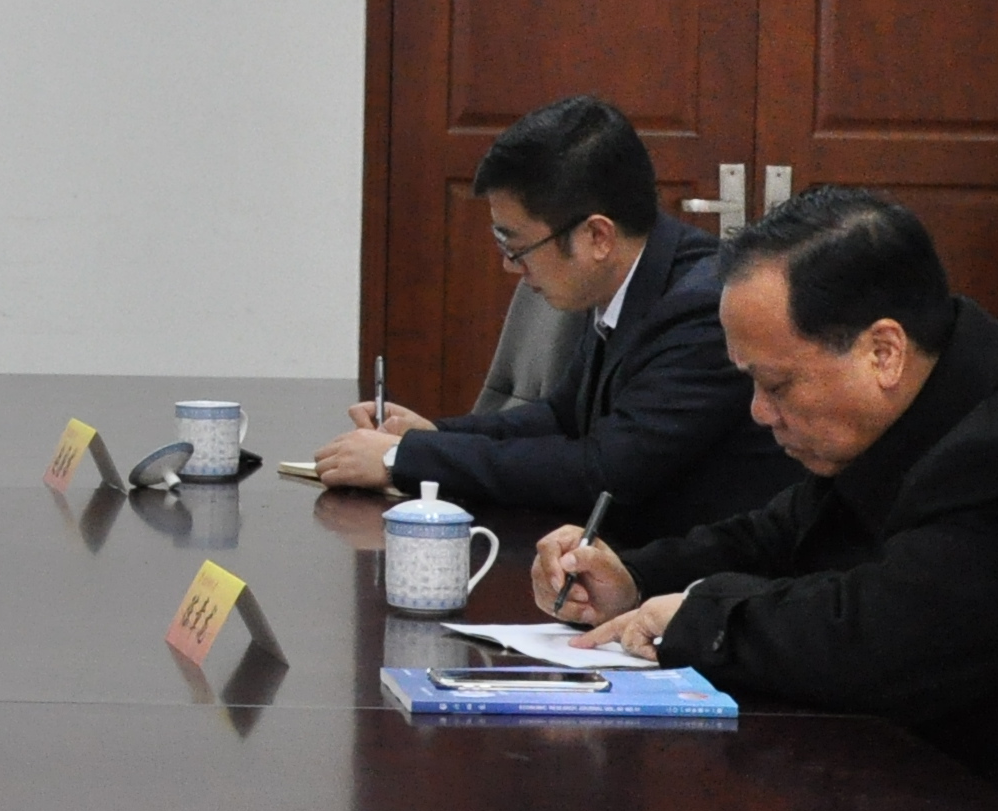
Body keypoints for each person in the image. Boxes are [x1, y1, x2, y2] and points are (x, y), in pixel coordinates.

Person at [540, 188, 998, 811]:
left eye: (777, 385)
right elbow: (780, 536)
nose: (758, 412)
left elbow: (872, 642)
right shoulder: (928, 403)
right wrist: (635, 578)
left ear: (883, 351)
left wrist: (698, 617)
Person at [304, 96, 795, 538]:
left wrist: (402, 458)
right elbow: (564, 416)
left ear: (597, 237)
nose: (509, 267)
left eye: (517, 246)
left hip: (698, 575)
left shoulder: (703, 309)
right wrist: (432, 435)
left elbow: (604, 471)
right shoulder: (630, 279)